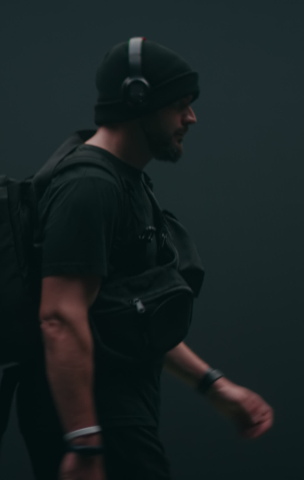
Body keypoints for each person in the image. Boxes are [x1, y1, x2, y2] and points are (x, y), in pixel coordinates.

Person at [14, 37, 274, 480]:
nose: (191, 117)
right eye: (179, 104)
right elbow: (59, 315)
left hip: (118, 415)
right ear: (138, 98)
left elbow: (133, 315)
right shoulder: (89, 186)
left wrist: (214, 386)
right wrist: (85, 442)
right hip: (98, 419)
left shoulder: (126, 183)